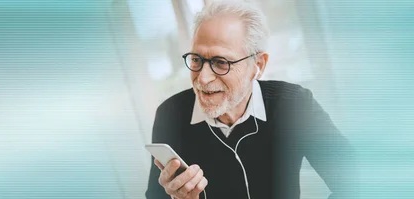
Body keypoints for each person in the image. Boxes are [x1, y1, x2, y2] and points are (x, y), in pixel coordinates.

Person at [145, 1, 356, 199]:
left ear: (258, 65)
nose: (202, 78)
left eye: (220, 62)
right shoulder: (170, 114)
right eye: (196, 59)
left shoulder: (294, 104)